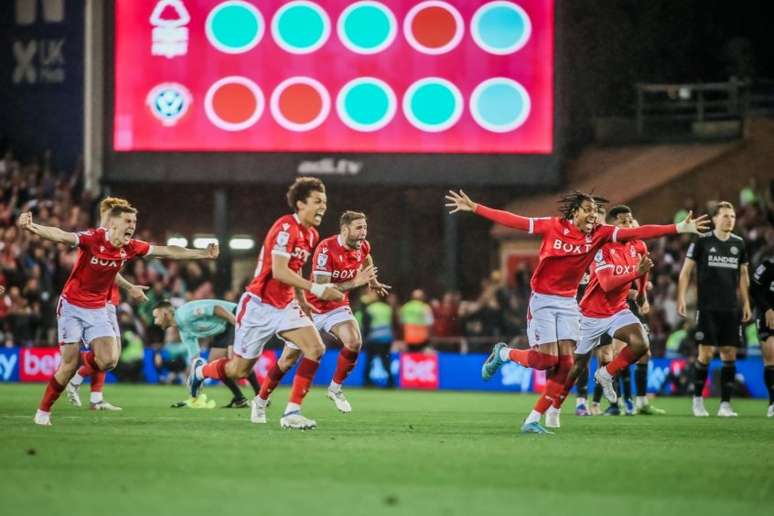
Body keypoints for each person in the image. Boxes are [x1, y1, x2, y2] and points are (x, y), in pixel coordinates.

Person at [445, 189, 709, 434]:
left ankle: (533, 420)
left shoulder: (600, 234)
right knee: (545, 361)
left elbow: (639, 233)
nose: (593, 215)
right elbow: (515, 221)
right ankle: (503, 353)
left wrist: (678, 227)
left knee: (567, 364)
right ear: (574, 213)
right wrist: (476, 207)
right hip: (543, 301)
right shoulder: (553, 226)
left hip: (569, 302)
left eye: (595, 211)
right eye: (588, 210)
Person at [19, 206, 219, 426]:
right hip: (72, 307)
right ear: (113, 224)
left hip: (98, 308)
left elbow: (167, 250)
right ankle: (43, 412)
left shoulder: (130, 247)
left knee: (109, 361)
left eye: (134, 221)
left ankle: (80, 370)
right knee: (68, 366)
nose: (132, 226)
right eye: (127, 221)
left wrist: (201, 253)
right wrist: (32, 227)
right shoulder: (93, 238)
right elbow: (61, 235)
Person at [188, 177, 344, 430]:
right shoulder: (285, 227)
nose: (323, 207)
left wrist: (303, 300)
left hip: (286, 306)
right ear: (301, 204)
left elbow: (296, 268)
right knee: (238, 370)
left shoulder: (311, 234)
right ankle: (200, 372)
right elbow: (281, 271)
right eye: (318, 201)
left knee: (315, 348)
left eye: (325, 202)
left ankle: (291, 412)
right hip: (258, 306)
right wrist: (317, 289)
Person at [253, 211, 387, 413]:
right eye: (358, 228)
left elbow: (367, 258)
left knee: (354, 341)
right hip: (311, 308)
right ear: (345, 229)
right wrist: (355, 282)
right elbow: (322, 290)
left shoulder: (363, 246)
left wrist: (373, 281)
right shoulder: (326, 249)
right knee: (287, 360)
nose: (363, 233)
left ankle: (335, 388)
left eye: (365, 228)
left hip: (337, 306)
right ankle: (261, 400)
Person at [544, 205, 657, 428]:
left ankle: (606, 374)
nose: (629, 224)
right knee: (577, 366)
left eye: (631, 219)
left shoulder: (638, 245)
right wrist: (637, 273)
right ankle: (554, 407)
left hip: (618, 310)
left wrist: (641, 294)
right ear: (614, 226)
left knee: (641, 343)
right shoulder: (602, 246)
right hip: (592, 314)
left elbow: (644, 267)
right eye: (623, 221)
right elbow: (606, 283)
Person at [66, 197, 149, 411]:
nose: (130, 225)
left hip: (110, 299)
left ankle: (94, 397)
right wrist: (130, 286)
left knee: (112, 357)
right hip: (97, 301)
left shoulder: (120, 244)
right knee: (109, 356)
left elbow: (113, 272)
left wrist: (129, 287)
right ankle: (77, 376)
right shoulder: (95, 239)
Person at [678, 201, 751, 417]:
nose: (730, 219)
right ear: (716, 218)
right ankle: (698, 400)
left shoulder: (739, 244)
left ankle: (725, 405)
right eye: (726, 215)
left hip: (730, 309)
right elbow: (685, 272)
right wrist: (681, 297)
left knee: (730, 354)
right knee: (706, 354)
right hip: (707, 308)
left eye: (733, 216)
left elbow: (744, 276)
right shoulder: (702, 241)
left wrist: (746, 303)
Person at [153, 299, 262, 408]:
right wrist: (193, 393)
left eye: (156, 317)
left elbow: (216, 308)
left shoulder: (185, 314)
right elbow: (195, 360)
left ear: (165, 314)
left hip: (232, 316)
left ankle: (261, 396)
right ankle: (240, 399)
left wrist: (238, 325)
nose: (155, 322)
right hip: (222, 328)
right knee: (213, 365)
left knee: (235, 364)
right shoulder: (183, 331)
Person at [750, 256, 774, 416]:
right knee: (771, 355)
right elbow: (754, 287)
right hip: (767, 316)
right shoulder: (768, 265)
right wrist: (767, 308)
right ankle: (772, 402)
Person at [362, 292, 396, 388]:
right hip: (386, 338)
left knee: (369, 360)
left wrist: (364, 338)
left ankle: (367, 382)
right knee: (386, 361)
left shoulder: (370, 308)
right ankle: (391, 382)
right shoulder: (387, 308)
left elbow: (366, 325)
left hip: (373, 338)